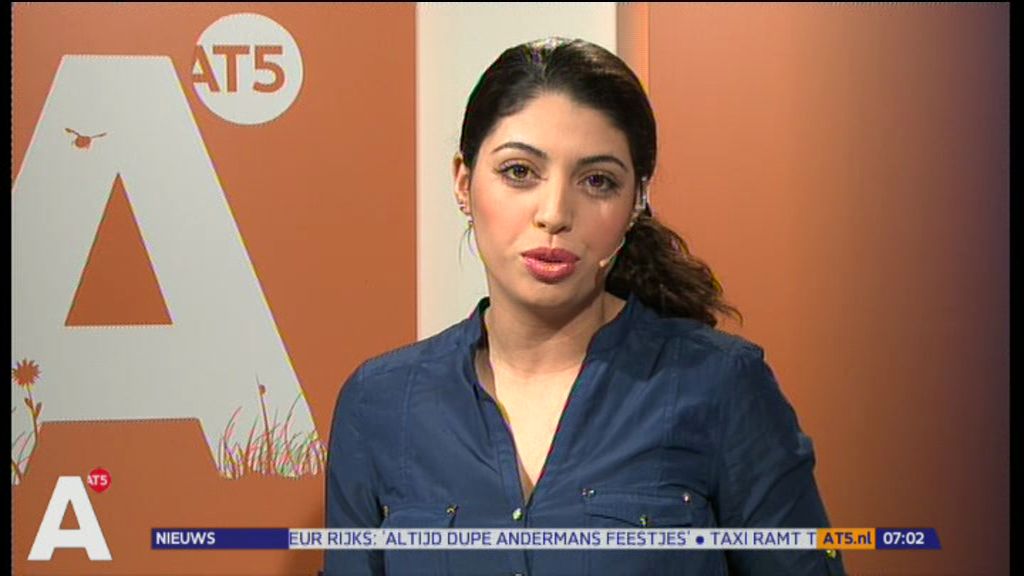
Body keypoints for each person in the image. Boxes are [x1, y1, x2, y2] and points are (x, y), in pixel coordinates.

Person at [325, 37, 845, 576]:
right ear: (463, 181)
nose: (555, 213)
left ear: (636, 201)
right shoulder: (379, 404)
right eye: (519, 172)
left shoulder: (722, 386)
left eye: (597, 181)